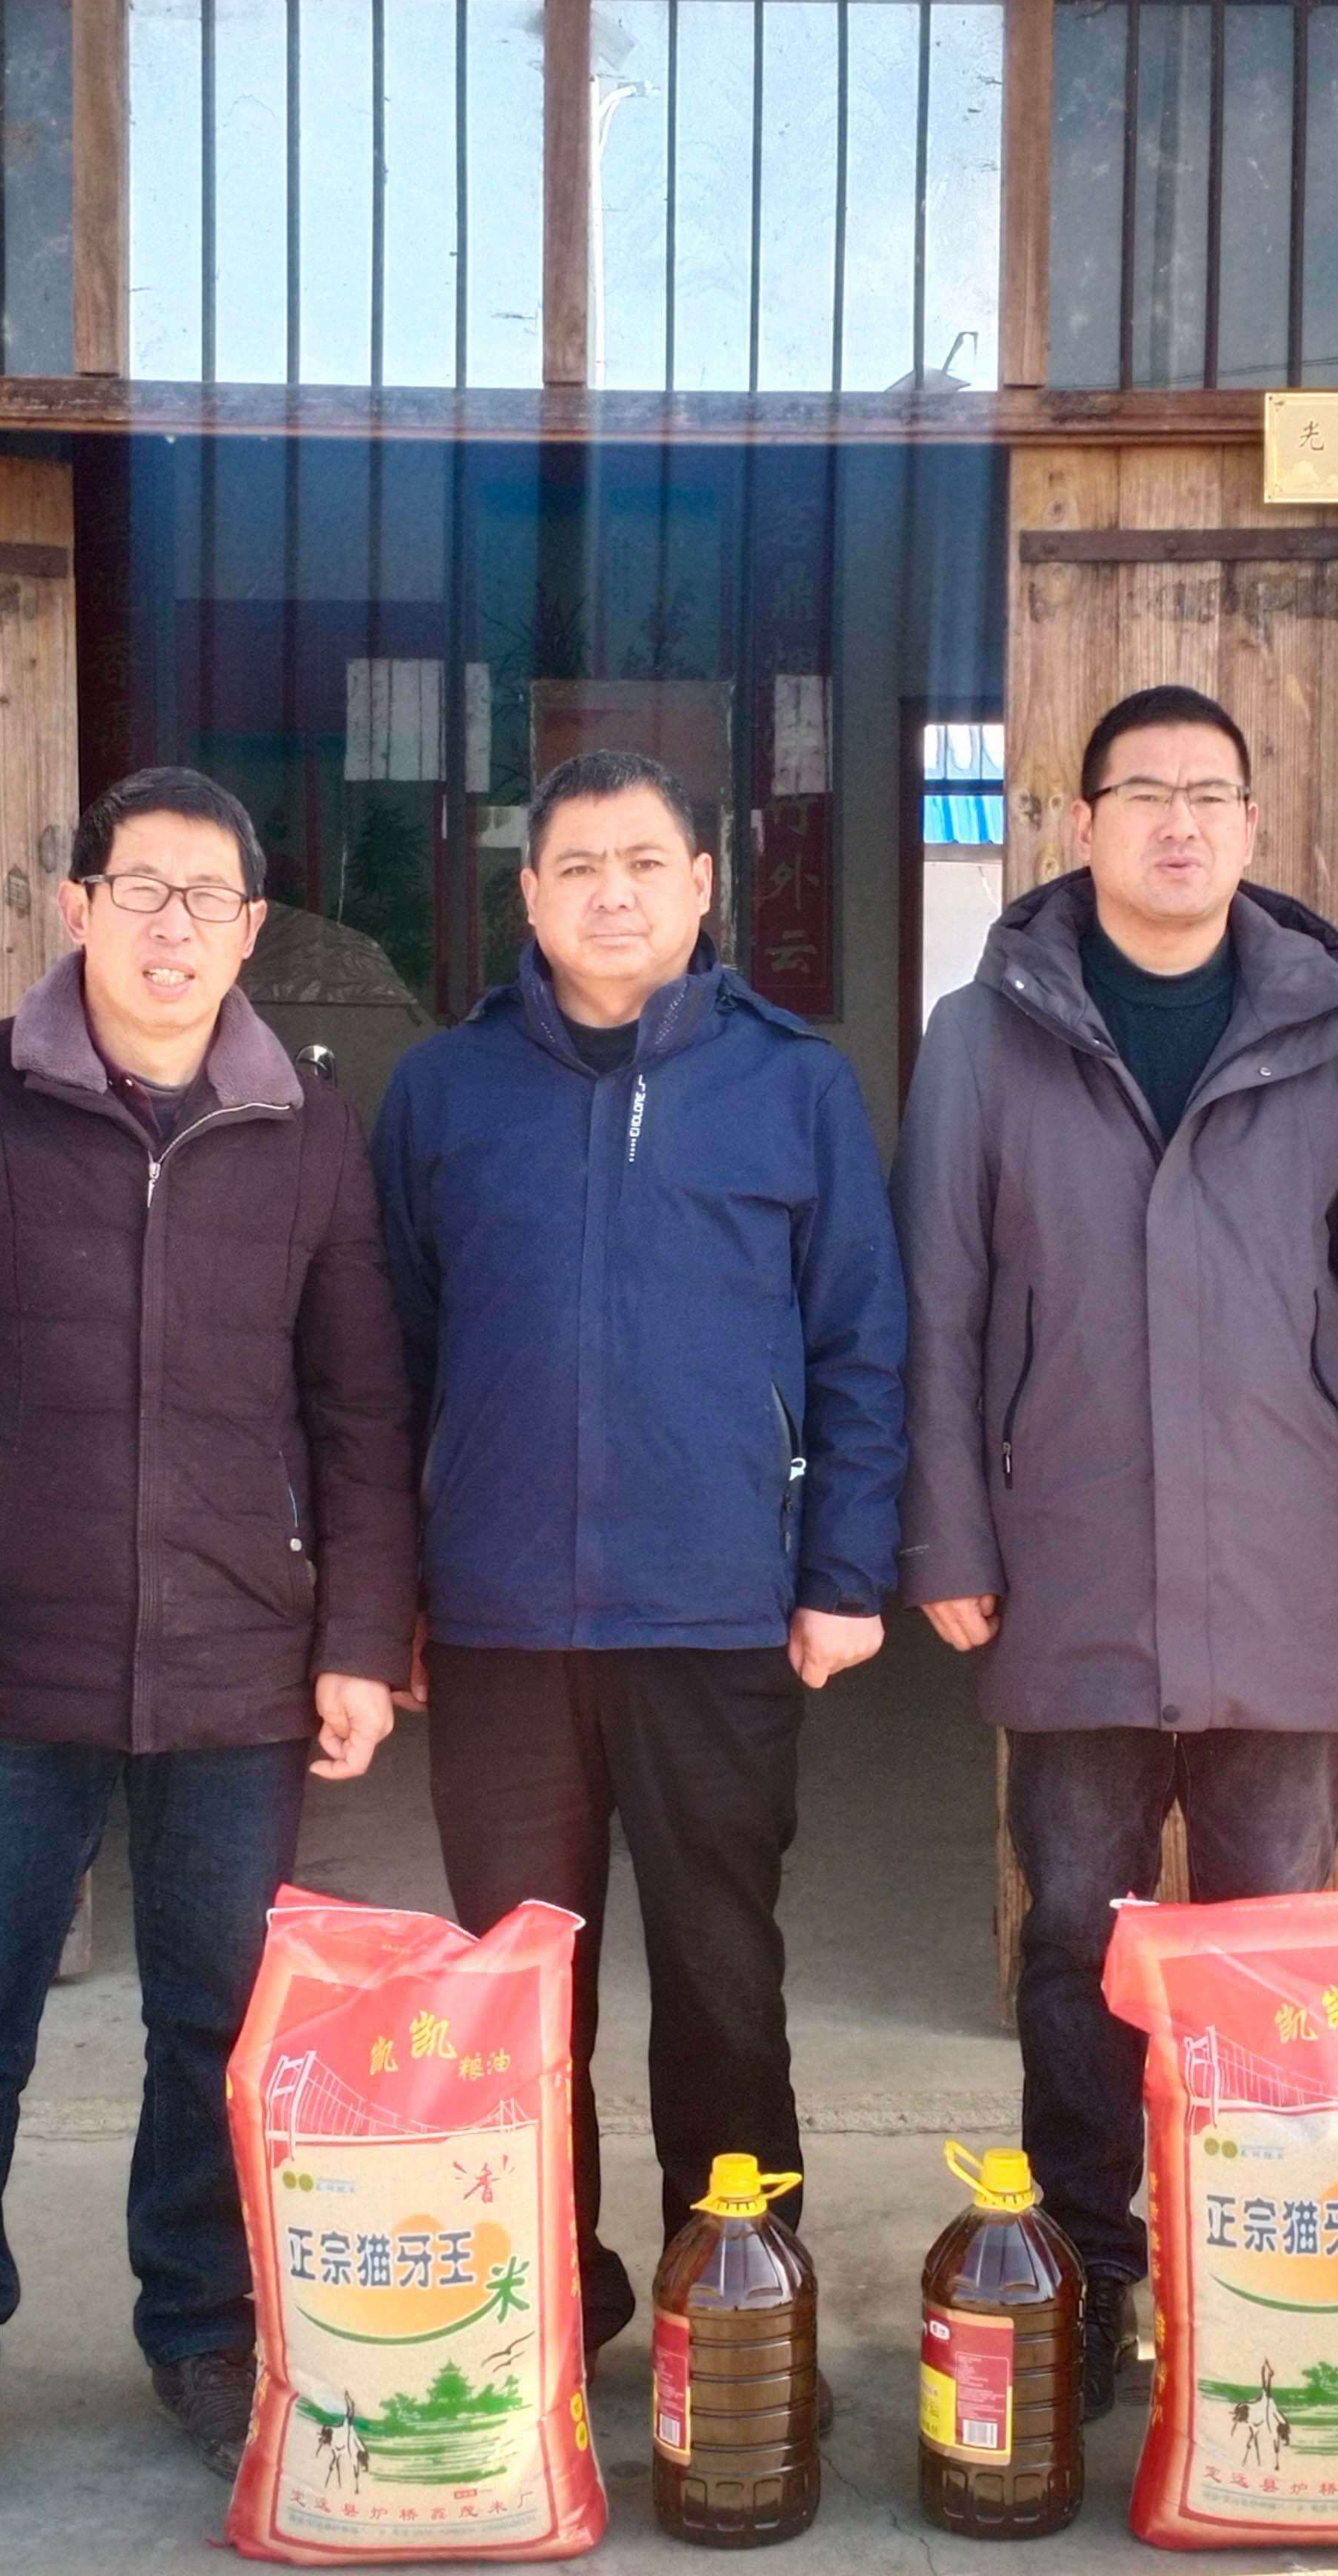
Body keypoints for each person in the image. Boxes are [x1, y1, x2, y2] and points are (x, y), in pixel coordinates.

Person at [0, 765, 416, 2524]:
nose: (175, 929)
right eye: (142, 890)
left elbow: (360, 1407)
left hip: (242, 1652)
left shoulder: (305, 1123)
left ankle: (204, 2332)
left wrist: (358, 1638)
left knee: (215, 2024)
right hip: (9, 1657)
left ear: (253, 929)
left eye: (209, 900)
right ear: (77, 903)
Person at [893, 684, 1338, 2417]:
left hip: (1286, 1566)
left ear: (1253, 824)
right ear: (1081, 825)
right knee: (1075, 1938)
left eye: (1210, 793)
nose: (1179, 824)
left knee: (1265, 1956)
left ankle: (1250, 2283)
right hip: (1065, 1559)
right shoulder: (984, 1035)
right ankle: (1085, 2270)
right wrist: (945, 1529)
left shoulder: (1335, 1030)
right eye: (1144, 792)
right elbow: (937, 1301)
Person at [370, 747, 907, 2365]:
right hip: (500, 1625)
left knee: (724, 1979)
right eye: (578, 866)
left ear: (703, 885)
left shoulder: (793, 1086)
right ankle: (542, 2300)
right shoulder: (444, 1092)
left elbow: (863, 1341)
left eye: (646, 862)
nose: (613, 893)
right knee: (519, 1994)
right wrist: (387, 1601)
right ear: (528, 897)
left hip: (714, 1611)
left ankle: (733, 2303)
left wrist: (844, 1573)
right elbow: (383, 1365)